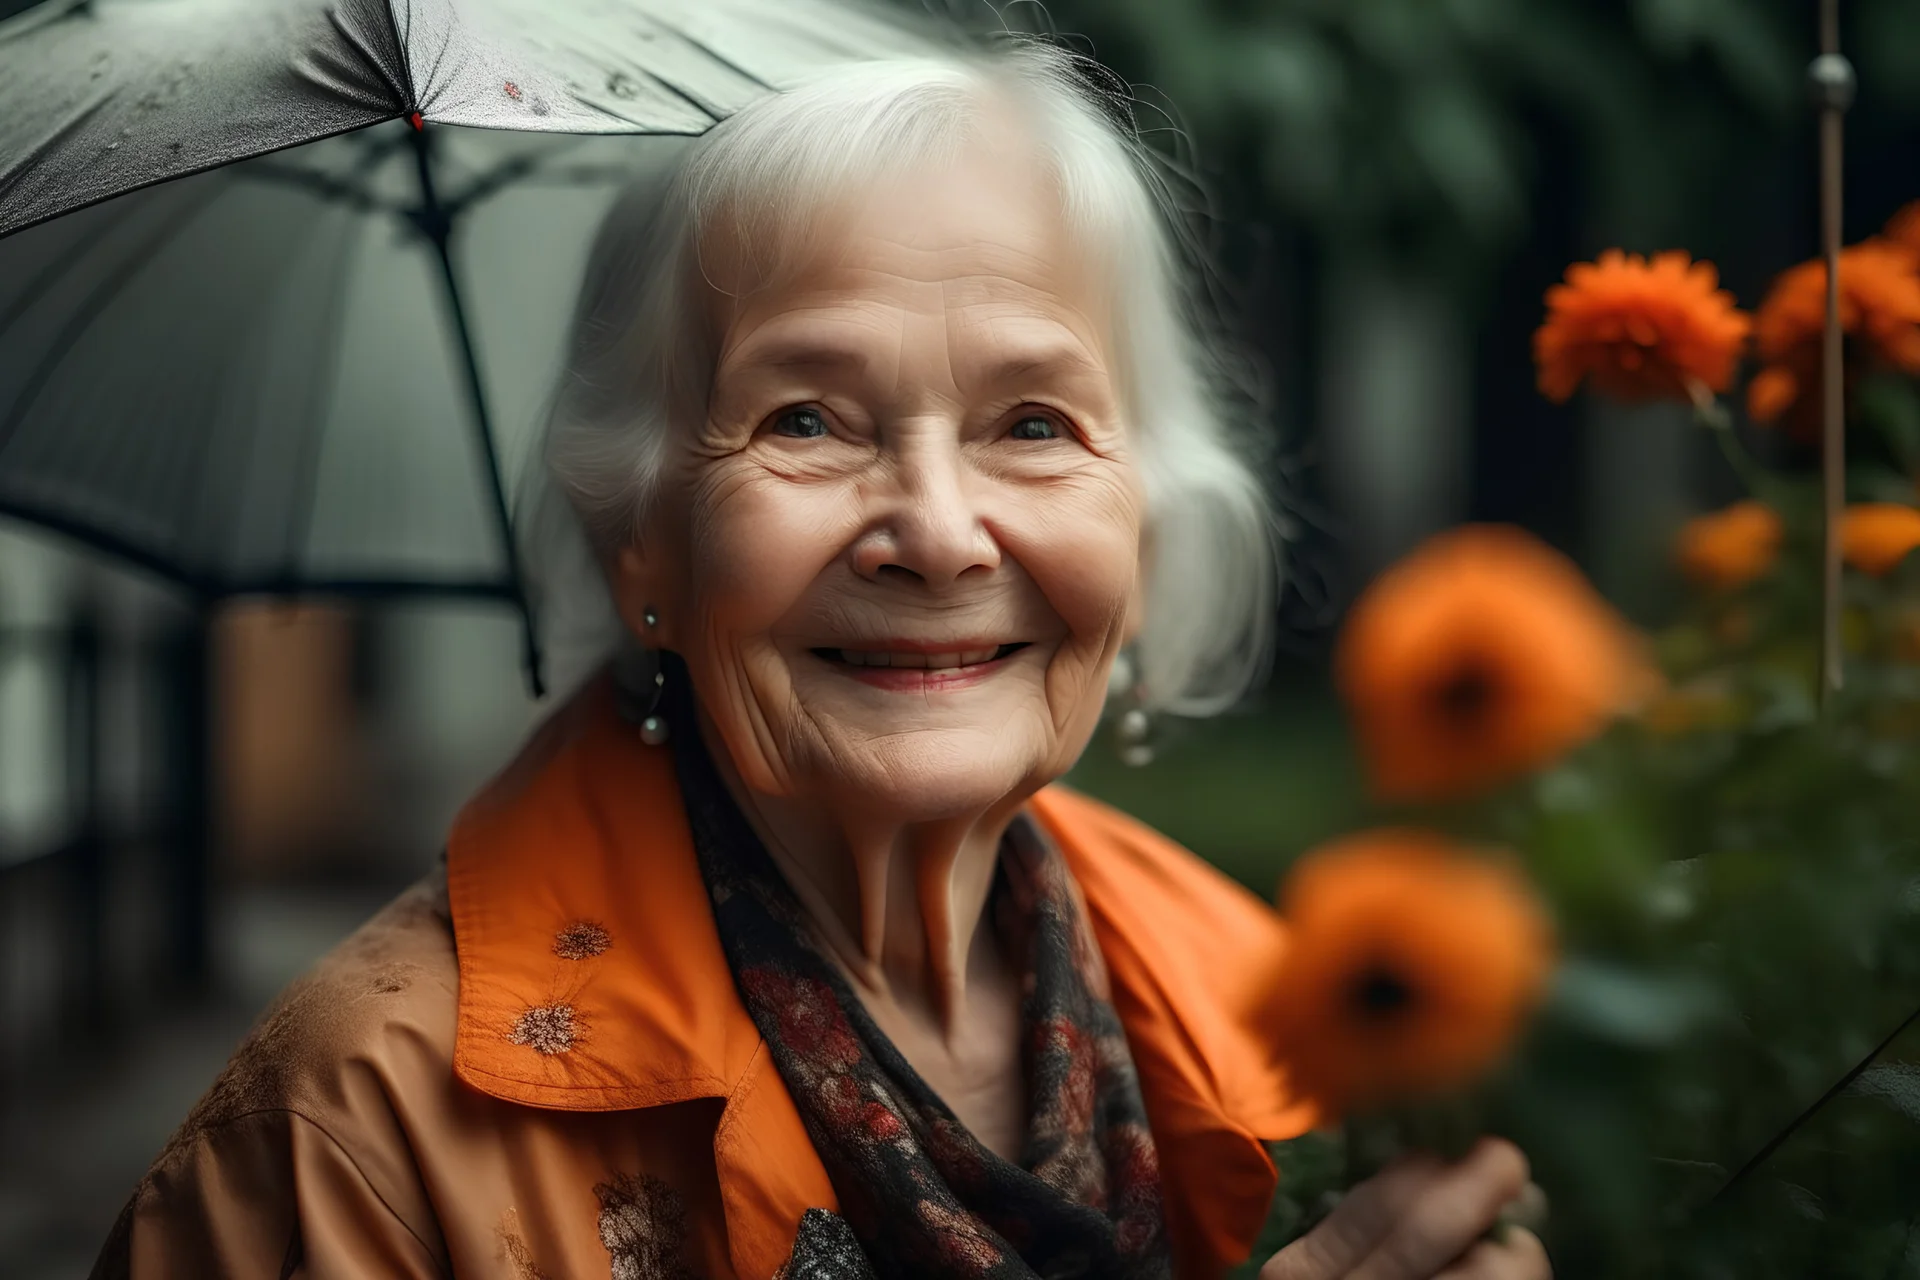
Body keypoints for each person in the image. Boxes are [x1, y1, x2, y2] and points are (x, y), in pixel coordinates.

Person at [92, 43, 1549, 1280]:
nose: (935, 533)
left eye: (1032, 422)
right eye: (807, 419)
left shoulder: (1287, 1010)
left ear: (1149, 533)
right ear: (641, 539)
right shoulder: (358, 1138)